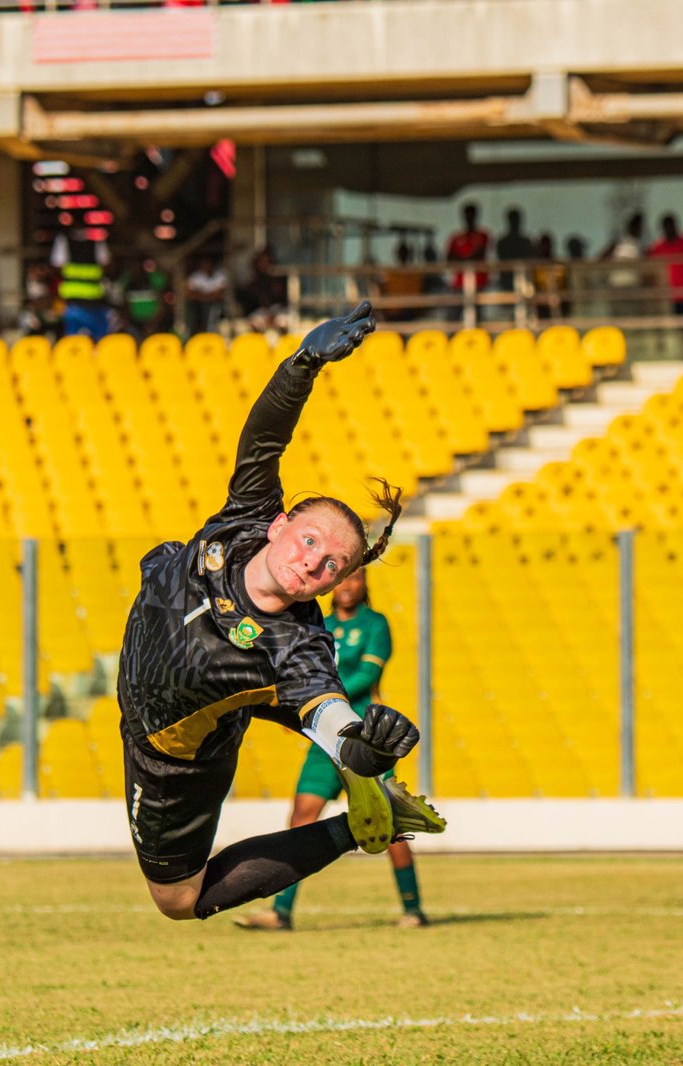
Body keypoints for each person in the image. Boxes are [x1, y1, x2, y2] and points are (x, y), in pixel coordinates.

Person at [116, 301, 446, 922]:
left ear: (335, 586)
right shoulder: (245, 515)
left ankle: (359, 828)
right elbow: (265, 437)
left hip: (171, 749)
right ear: (277, 525)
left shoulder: (298, 647)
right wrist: (304, 363)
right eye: (312, 540)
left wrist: (366, 752)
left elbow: (330, 715)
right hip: (157, 645)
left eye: (335, 566)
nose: (317, 562)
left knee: (179, 902)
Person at [234, 566, 429, 931]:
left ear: (364, 584)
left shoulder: (376, 624)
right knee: (300, 817)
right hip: (324, 742)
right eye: (342, 580)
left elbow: (368, 676)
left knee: (387, 824)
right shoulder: (319, 625)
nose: (347, 586)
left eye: (355, 579)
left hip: (366, 740)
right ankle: (281, 911)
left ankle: (413, 909)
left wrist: (324, 696)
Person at [50, 227, 112, 339]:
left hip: (85, 303)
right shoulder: (96, 242)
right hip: (82, 303)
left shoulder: (64, 242)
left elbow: (56, 265)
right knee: (93, 340)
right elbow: (107, 264)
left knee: (76, 340)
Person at [445, 202, 490, 317]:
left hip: (479, 283)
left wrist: (461, 259)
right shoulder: (456, 237)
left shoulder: (482, 235)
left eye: (472, 215)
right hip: (459, 283)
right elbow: (449, 258)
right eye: (467, 215)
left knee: (478, 317)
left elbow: (479, 254)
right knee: (452, 317)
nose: (469, 218)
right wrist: (467, 259)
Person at [377, 239, 425, 322]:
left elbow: (419, 291)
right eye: (401, 253)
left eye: (404, 253)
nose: (403, 255)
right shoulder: (391, 273)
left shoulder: (414, 273)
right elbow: (383, 289)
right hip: (394, 311)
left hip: (408, 311)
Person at [122, 258, 171, 338]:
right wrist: (130, 323)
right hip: (135, 324)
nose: (135, 269)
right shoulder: (128, 282)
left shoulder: (154, 280)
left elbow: (162, 304)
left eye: (138, 266)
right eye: (132, 267)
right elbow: (125, 305)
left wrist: (154, 324)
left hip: (154, 322)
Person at [185, 254, 230, 335]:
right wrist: (208, 296)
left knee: (213, 308)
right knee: (191, 308)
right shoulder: (195, 277)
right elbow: (190, 294)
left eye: (209, 262)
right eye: (204, 262)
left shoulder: (220, 274)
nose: (207, 265)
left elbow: (220, 294)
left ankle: (210, 333)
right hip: (199, 306)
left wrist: (201, 294)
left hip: (217, 304)